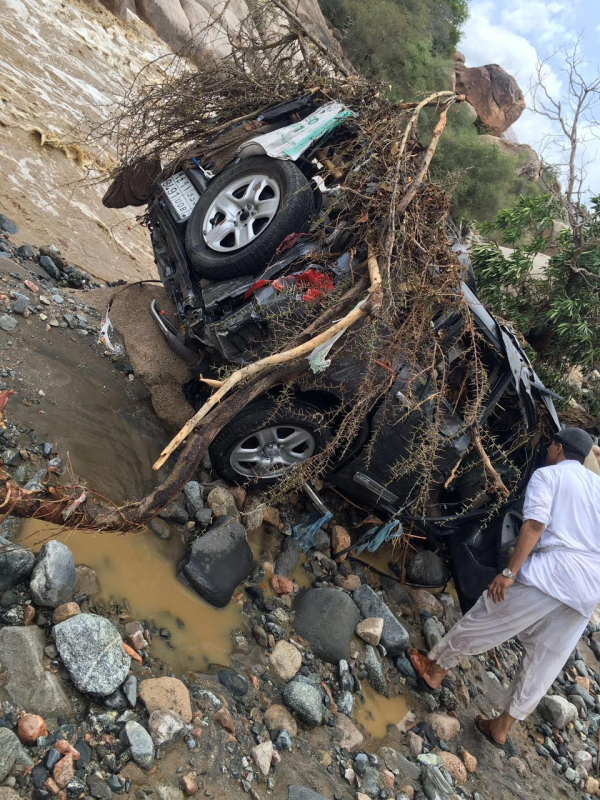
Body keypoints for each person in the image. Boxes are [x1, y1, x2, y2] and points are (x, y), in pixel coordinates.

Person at [409, 427, 600, 749]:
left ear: (557, 448)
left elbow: (535, 524)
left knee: (488, 617)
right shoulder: (597, 487)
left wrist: (510, 572)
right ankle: (501, 727)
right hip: (589, 592)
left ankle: (434, 670)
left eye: (550, 446)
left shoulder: (549, 475)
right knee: (545, 660)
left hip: (553, 573)